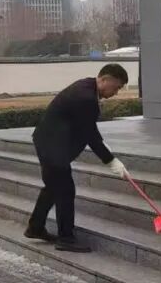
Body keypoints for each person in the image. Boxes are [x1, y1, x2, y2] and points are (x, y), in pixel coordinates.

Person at [25, 64, 129, 253]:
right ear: (105, 79)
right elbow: (90, 134)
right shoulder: (86, 97)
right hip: (53, 148)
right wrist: (111, 160)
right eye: (116, 87)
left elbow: (88, 127)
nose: (116, 92)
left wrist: (105, 148)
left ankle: (35, 227)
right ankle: (66, 238)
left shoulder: (87, 87)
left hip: (49, 143)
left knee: (53, 187)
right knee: (65, 191)